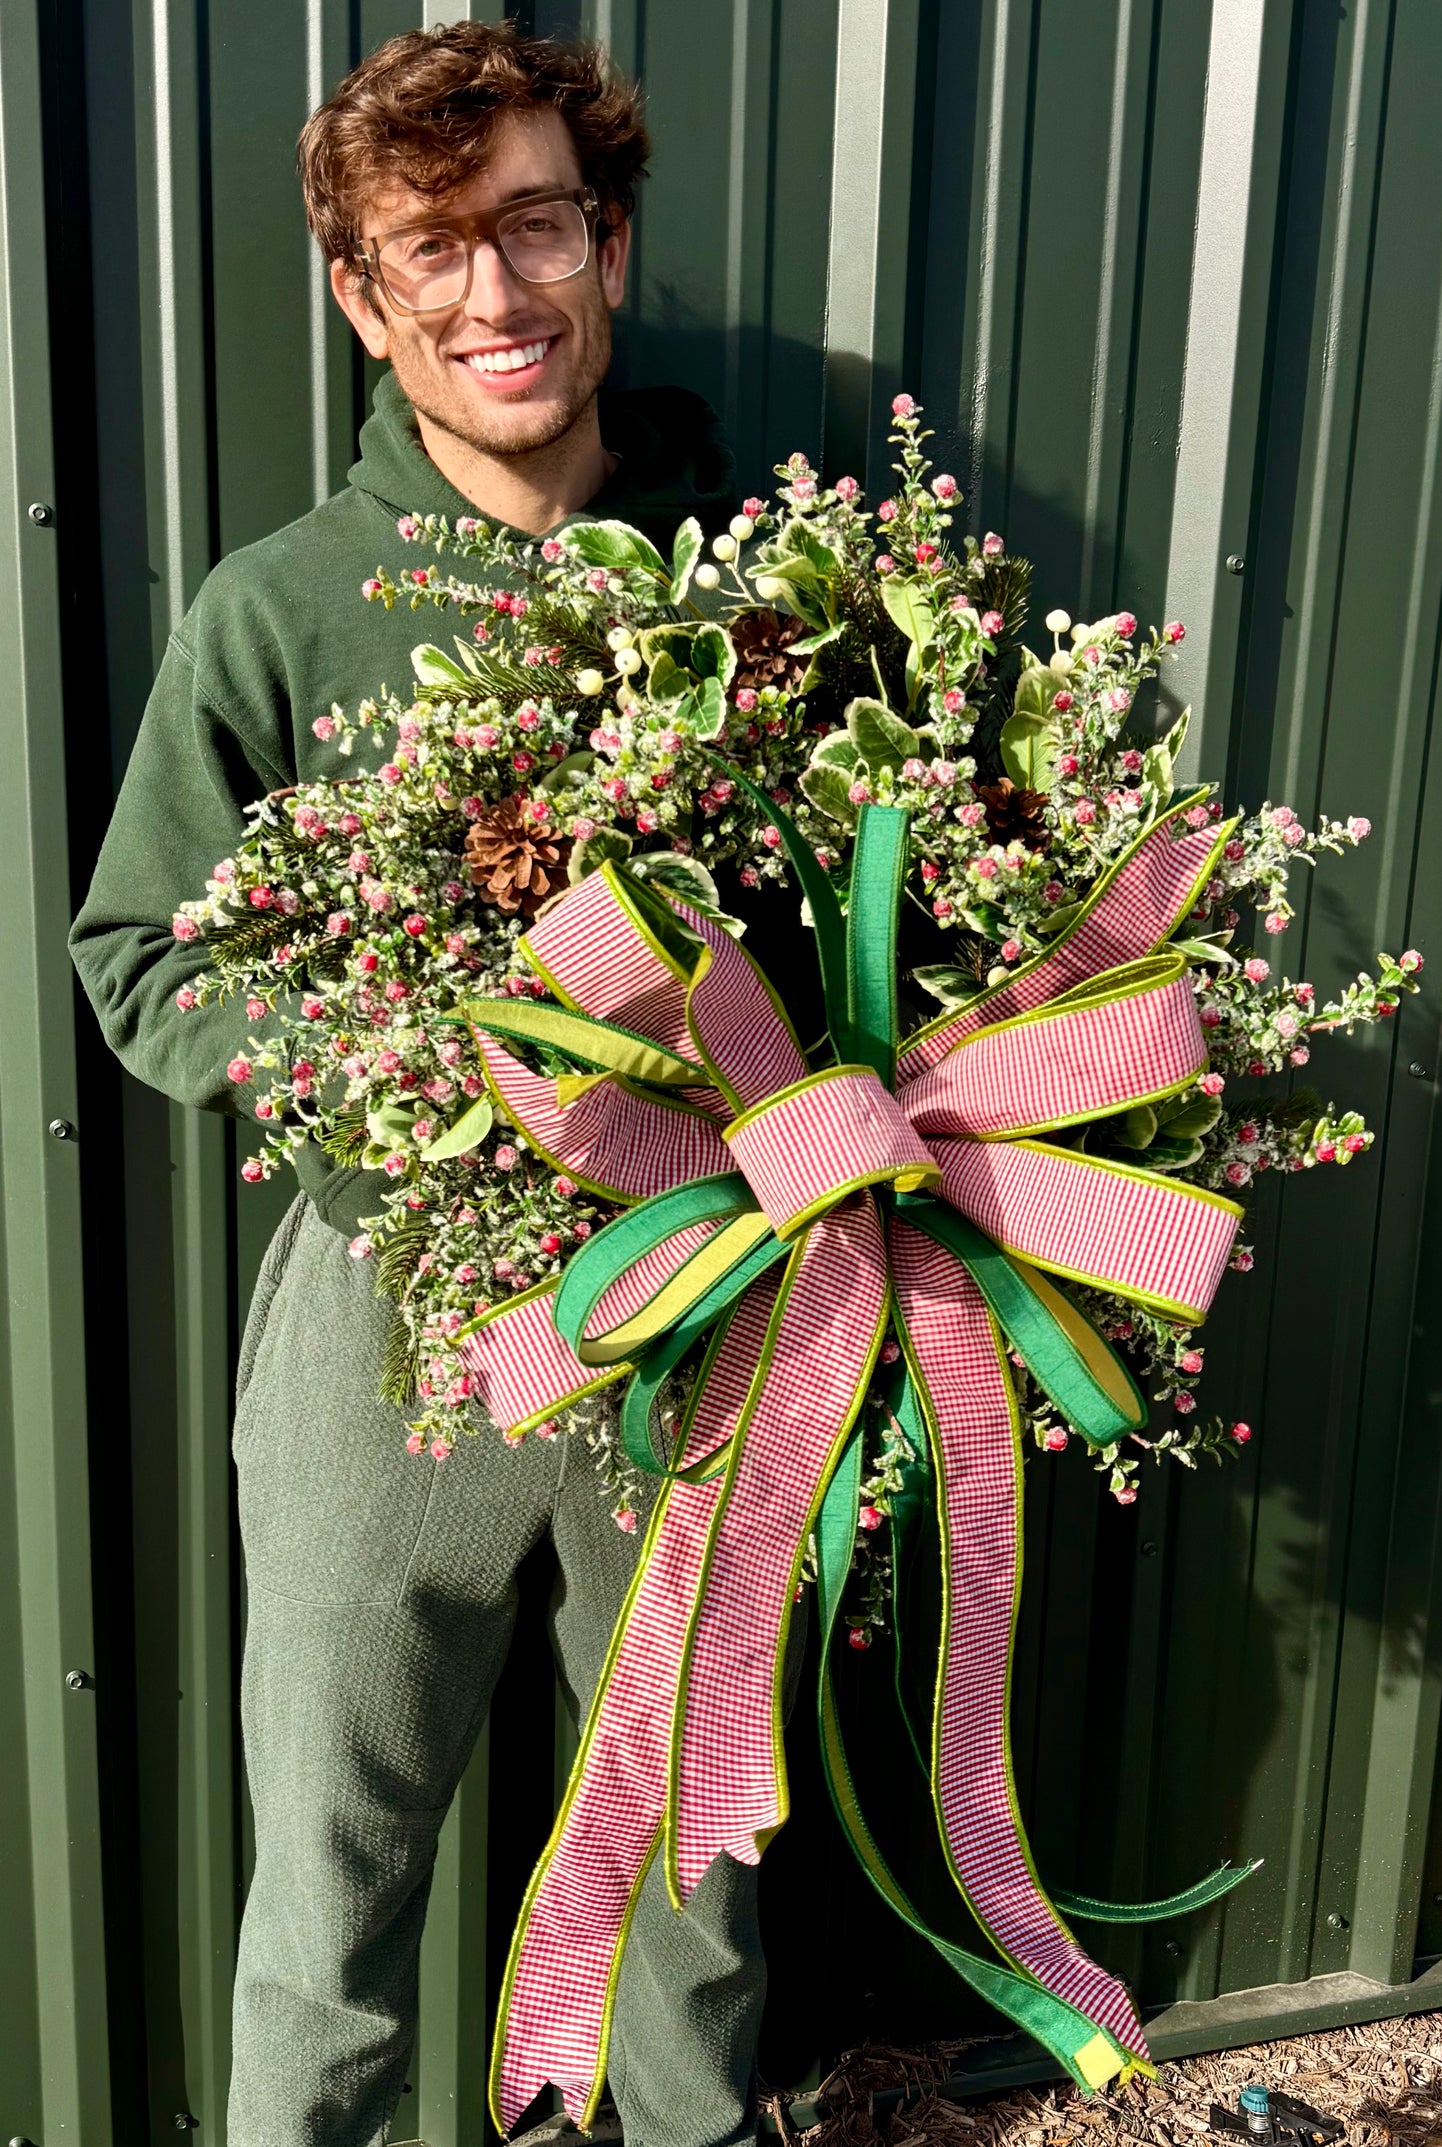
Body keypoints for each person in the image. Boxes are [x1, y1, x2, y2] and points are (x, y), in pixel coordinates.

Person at [69, 25, 772, 2147]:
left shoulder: (763, 580)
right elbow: (139, 955)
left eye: (539, 222)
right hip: (396, 1321)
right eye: (434, 248)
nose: (499, 290)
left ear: (612, 244)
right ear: (365, 301)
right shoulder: (281, 611)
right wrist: (408, 1101)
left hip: (720, 1308)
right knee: (338, 1876)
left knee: (699, 1853)